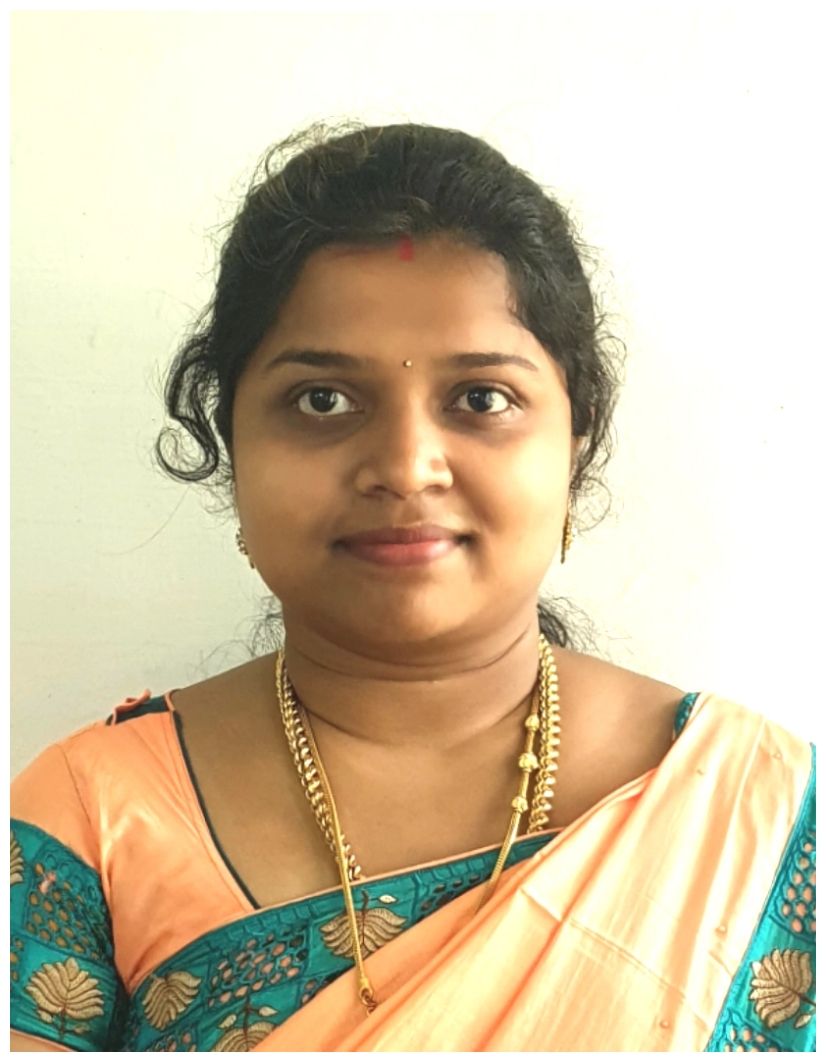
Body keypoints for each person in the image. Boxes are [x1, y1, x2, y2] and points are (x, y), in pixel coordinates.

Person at [10, 121, 815, 1052]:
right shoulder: (88, 820)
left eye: (481, 399)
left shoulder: (762, 816)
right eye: (322, 400)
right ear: (234, 447)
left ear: (575, 443)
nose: (404, 466)